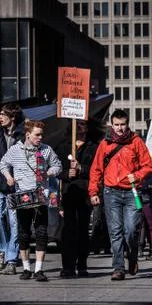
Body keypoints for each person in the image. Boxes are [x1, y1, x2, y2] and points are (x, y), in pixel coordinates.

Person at [88, 109, 152, 281]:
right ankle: (118, 267)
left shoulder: (136, 141)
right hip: (111, 192)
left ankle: (132, 256)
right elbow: (96, 169)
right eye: (116, 125)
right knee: (115, 232)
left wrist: (138, 175)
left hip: (133, 192)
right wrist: (93, 191)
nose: (119, 128)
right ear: (112, 124)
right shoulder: (105, 144)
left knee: (131, 230)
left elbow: (148, 165)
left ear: (127, 123)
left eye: (122, 124)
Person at [0, 120, 62, 282]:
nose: (40, 137)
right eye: (37, 135)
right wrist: (8, 177)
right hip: (22, 196)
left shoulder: (47, 150)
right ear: (28, 135)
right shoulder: (15, 150)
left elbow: (58, 166)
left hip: (41, 195)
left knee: (41, 232)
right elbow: (3, 164)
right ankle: (26, 268)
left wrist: (49, 173)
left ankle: (39, 270)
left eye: (42, 134)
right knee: (23, 233)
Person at [56, 120, 99, 278]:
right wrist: (67, 174)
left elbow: (98, 170)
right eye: (77, 124)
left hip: (85, 194)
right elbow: (56, 169)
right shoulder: (63, 147)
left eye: (83, 124)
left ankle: (82, 265)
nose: (80, 127)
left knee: (82, 231)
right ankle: (67, 266)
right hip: (68, 193)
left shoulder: (94, 147)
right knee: (68, 230)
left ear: (88, 127)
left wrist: (82, 168)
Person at [0, 104, 25, 275]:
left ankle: (11, 259)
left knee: (15, 223)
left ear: (13, 117)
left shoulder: (22, 136)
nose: (0, 117)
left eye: (3, 114)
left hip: (17, 187)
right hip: (0, 184)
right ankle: (2, 250)